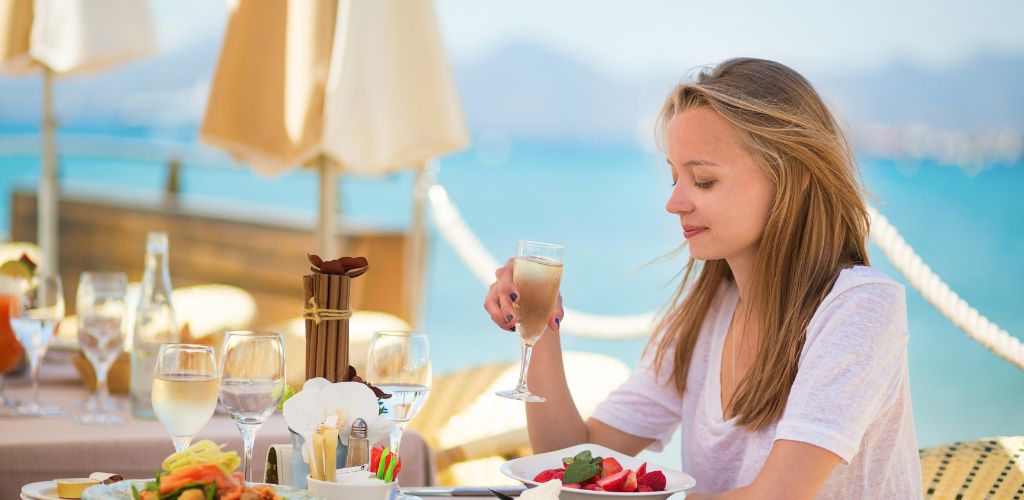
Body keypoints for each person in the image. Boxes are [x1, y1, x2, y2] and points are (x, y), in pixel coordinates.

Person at [483, 58, 922, 499]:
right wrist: (539, 327)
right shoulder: (705, 317)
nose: (674, 204)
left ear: (796, 178)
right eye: (675, 178)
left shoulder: (860, 307)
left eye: (704, 181)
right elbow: (572, 464)